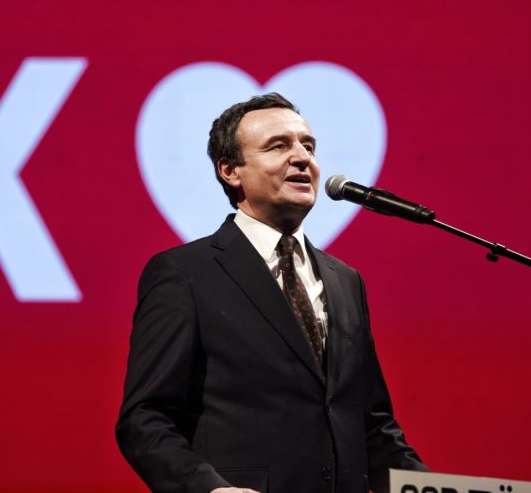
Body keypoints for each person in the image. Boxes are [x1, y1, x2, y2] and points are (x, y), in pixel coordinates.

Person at [116, 92, 427, 493]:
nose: (302, 158)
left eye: (308, 146)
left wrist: (430, 488)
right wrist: (208, 488)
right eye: (278, 146)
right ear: (230, 170)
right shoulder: (185, 273)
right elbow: (145, 418)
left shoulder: (346, 280)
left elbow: (372, 426)